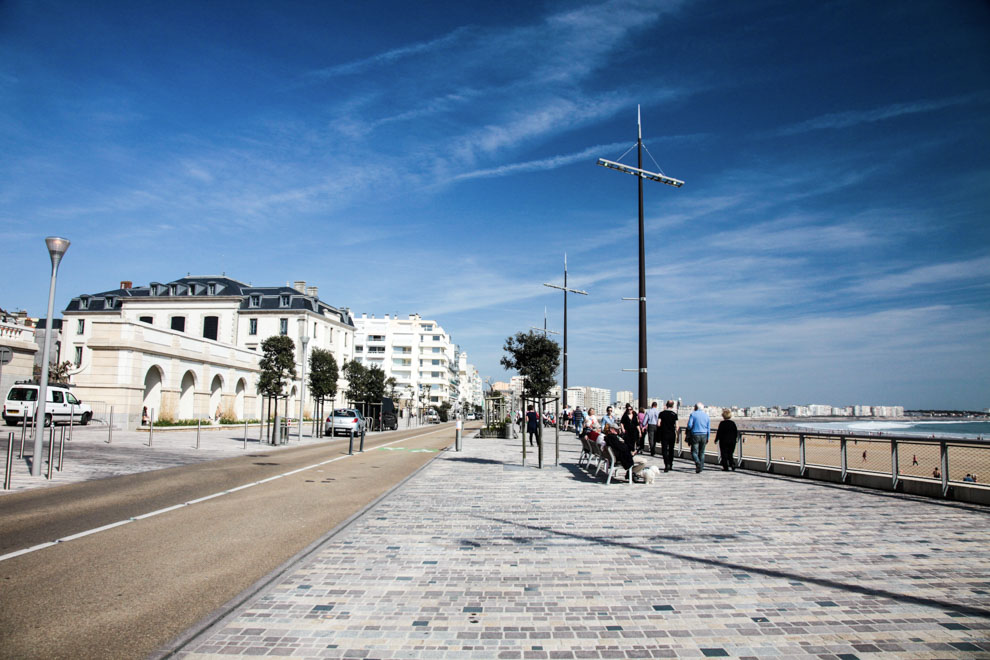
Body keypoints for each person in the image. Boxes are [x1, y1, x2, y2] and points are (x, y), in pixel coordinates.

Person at [687, 402, 710, 473]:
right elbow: (708, 428)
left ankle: (698, 463)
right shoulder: (706, 415)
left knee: (694, 452)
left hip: (695, 434)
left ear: (696, 407)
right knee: (702, 452)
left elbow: (689, 426)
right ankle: (701, 467)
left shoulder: (693, 414)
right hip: (704, 434)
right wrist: (708, 437)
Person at [658, 400, 678, 472]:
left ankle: (666, 464)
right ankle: (671, 464)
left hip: (664, 433)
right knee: (671, 449)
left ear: (666, 405)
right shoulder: (674, 414)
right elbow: (677, 426)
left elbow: (658, 424)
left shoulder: (661, 414)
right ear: (672, 406)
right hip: (672, 434)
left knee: (664, 450)